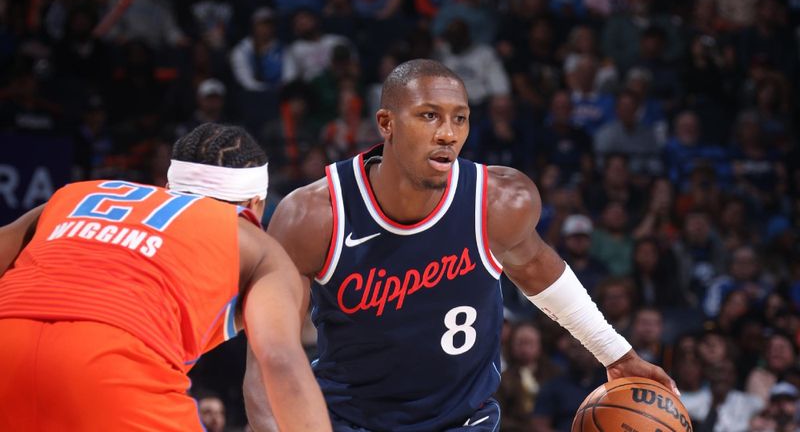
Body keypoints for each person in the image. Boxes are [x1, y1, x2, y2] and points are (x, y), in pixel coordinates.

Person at [244, 59, 676, 431]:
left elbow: (542, 274)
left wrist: (616, 353)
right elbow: (268, 360)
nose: (448, 133)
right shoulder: (314, 216)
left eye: (460, 118)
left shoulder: (498, 202)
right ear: (386, 123)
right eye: (429, 116)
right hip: (348, 418)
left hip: (462, 420)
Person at [0, 123, 331, 432]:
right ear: (255, 204)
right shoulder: (256, 244)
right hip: (111, 366)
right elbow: (280, 362)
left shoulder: (80, 194)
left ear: (169, 186)